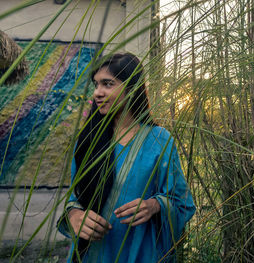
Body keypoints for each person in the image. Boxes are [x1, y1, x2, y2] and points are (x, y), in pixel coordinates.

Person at [57, 53, 196, 263]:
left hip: (141, 251)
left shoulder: (160, 141)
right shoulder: (88, 139)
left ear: (132, 87)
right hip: (93, 253)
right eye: (96, 85)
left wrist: (155, 205)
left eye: (107, 84)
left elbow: (182, 202)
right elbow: (75, 197)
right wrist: (75, 216)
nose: (97, 93)